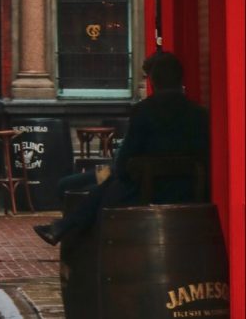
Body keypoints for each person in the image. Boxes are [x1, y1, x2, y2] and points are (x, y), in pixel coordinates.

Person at [34, 52, 208, 246]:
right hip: (189, 186)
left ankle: (70, 235)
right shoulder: (199, 114)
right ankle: (62, 228)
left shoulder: (144, 111)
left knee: (104, 188)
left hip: (148, 189)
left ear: (153, 81)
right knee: (106, 185)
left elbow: (125, 161)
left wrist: (120, 173)